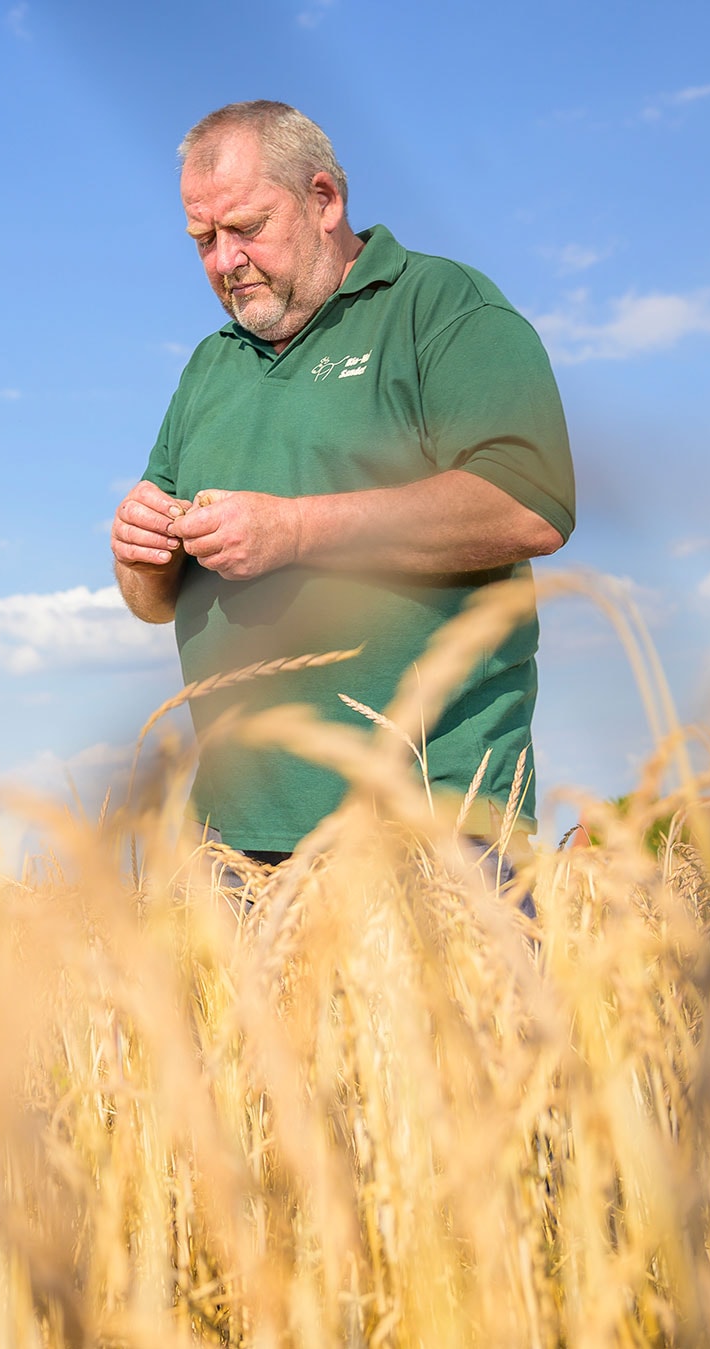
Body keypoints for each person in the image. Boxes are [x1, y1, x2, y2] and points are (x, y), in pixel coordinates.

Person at [113, 100, 575, 868]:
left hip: (435, 829)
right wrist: (138, 552)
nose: (225, 261)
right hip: (232, 850)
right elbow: (151, 602)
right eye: (203, 240)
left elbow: (531, 502)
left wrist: (293, 531)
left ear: (323, 200)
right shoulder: (210, 365)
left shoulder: (440, 307)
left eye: (248, 228)